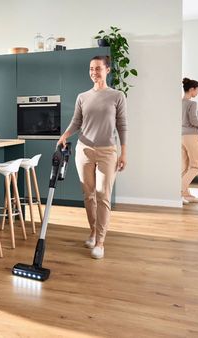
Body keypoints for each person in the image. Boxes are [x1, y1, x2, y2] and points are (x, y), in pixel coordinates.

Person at [57, 55, 127, 260]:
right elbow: (76, 121)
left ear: (108, 70)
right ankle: (93, 231)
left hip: (108, 152)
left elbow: (122, 125)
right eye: (91, 69)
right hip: (84, 150)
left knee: (102, 195)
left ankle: (101, 242)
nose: (94, 72)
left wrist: (124, 152)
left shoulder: (117, 96)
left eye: (98, 68)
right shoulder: (82, 96)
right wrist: (65, 135)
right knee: (88, 195)